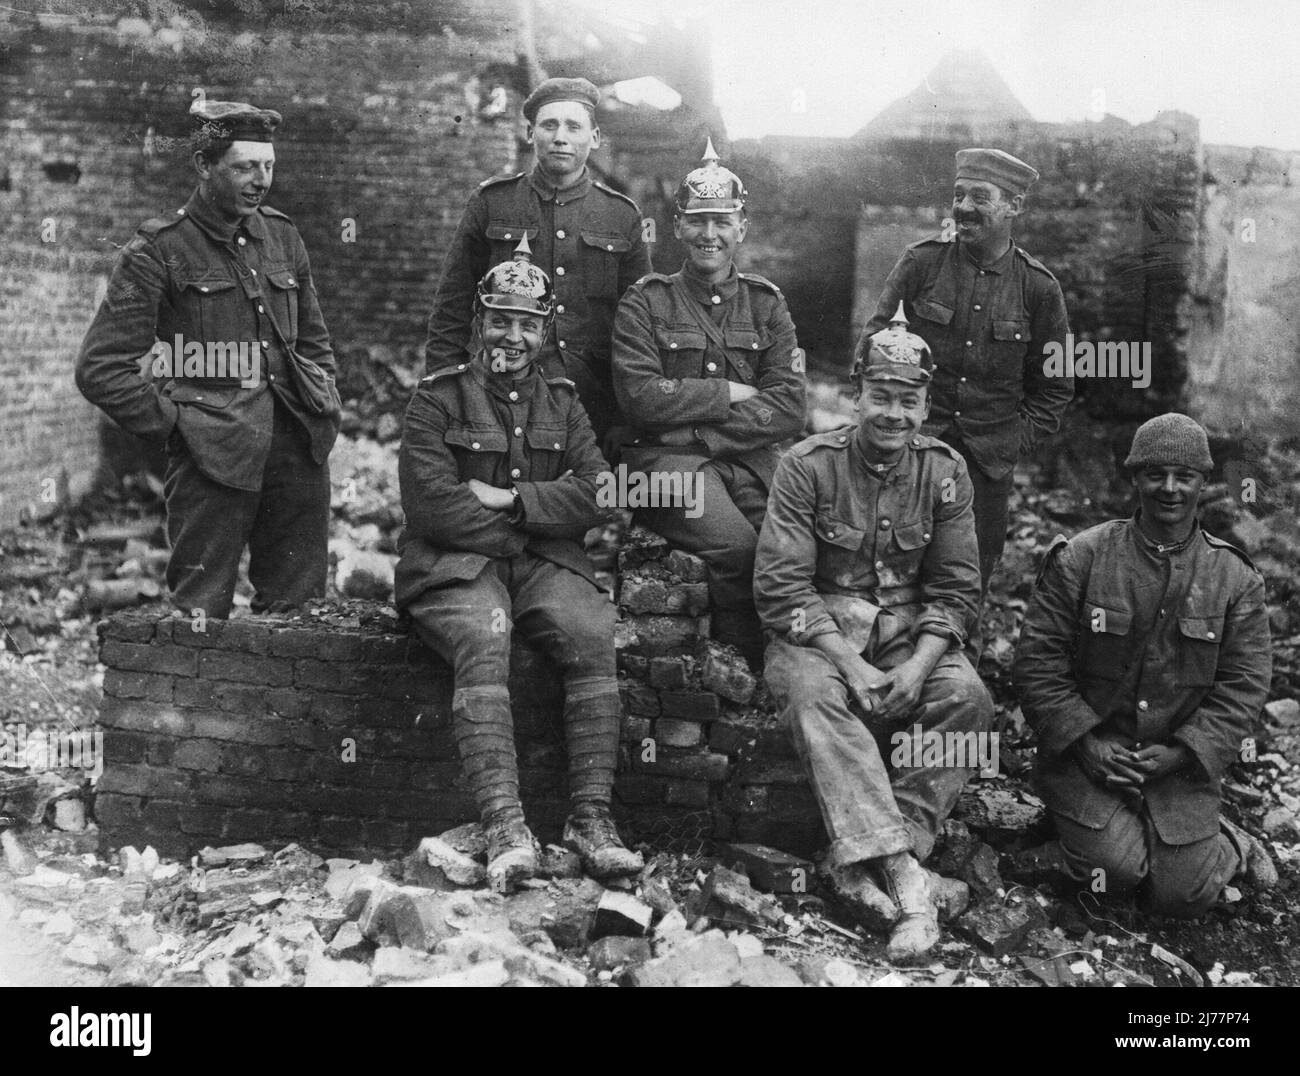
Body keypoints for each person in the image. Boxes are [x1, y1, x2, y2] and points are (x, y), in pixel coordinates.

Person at [396, 237, 642, 891]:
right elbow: (435, 508)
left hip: (536, 566)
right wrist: (531, 528)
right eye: (500, 319)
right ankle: (506, 828)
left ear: (544, 330)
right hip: (454, 568)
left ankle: (591, 821)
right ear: (480, 323)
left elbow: (600, 493)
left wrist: (512, 499)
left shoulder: (563, 403)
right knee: (485, 634)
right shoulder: (437, 399)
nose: (512, 335)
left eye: (527, 323)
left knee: (591, 630)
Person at [754, 311, 994, 961]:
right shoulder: (806, 465)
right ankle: (912, 884)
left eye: (908, 401)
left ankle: (875, 856)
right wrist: (849, 665)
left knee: (967, 698)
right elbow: (781, 589)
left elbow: (956, 591)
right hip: (818, 632)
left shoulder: (946, 470)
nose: (893, 414)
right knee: (809, 694)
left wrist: (916, 668)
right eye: (881, 397)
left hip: (906, 633)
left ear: (926, 406)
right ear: (856, 396)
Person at [76, 100, 340, 619]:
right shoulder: (157, 251)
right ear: (203, 164)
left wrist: (323, 394)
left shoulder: (283, 235)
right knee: (200, 615)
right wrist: (177, 426)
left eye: (268, 165)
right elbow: (101, 367)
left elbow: (313, 339)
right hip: (211, 459)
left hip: (297, 449)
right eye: (244, 166)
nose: (261, 180)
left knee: (300, 615)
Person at [1013, 413, 1277, 917]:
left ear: (1204, 483)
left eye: (1185, 476)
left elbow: (1244, 689)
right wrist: (1087, 744)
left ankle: (1228, 843)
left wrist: (1181, 753)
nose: (1170, 489)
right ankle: (1086, 833)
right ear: (1135, 478)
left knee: (1181, 899)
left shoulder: (1235, 579)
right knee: (1112, 876)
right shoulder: (1082, 557)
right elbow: (1037, 662)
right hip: (1087, 761)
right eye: (1155, 474)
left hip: (1176, 772)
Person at [612, 140, 806, 669]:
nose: (709, 235)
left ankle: (801, 664)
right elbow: (641, 399)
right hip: (658, 465)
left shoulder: (767, 304)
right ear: (677, 227)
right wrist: (730, 393)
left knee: (794, 547)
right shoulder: (645, 301)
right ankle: (741, 670)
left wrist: (699, 434)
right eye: (697, 221)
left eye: (722, 221)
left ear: (741, 228)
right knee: (739, 550)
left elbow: (789, 405)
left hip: (738, 457)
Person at [855, 147, 1072, 590]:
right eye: (959, 196)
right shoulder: (922, 263)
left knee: (966, 582)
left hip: (985, 471)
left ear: (1013, 206)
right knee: (885, 573)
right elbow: (868, 353)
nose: (964, 208)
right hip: (906, 452)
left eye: (980, 197)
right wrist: (890, 427)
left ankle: (958, 659)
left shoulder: (1039, 288)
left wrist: (1009, 442)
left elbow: (1055, 388)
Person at [424, 76, 651, 447]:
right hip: (501, 396)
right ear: (530, 133)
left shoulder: (621, 216)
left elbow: (641, 328)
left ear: (594, 138)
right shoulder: (492, 203)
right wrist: (446, 396)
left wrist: (631, 415)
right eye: (549, 124)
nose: (561, 136)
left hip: (594, 405)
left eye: (574, 126)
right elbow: (451, 309)